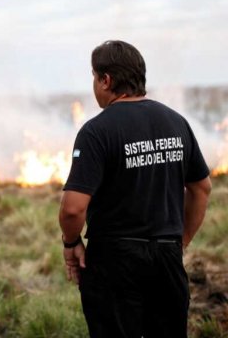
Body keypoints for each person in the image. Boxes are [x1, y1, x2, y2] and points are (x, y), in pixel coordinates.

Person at [59, 40, 211, 337]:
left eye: (95, 76)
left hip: (115, 262)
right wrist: (181, 240)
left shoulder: (96, 131)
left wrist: (70, 243)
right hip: (167, 259)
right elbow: (201, 188)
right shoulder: (177, 123)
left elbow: (73, 208)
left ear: (106, 80)